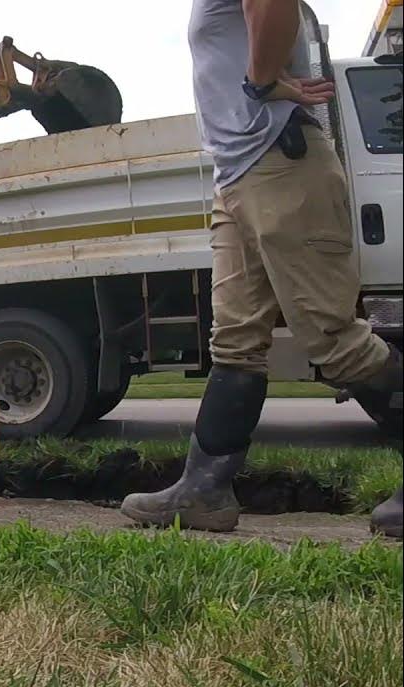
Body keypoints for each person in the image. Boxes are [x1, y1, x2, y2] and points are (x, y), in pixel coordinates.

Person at [120, 0, 402, 537]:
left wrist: (260, 83)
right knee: (235, 341)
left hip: (281, 165)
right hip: (239, 174)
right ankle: (203, 491)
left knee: (333, 339)